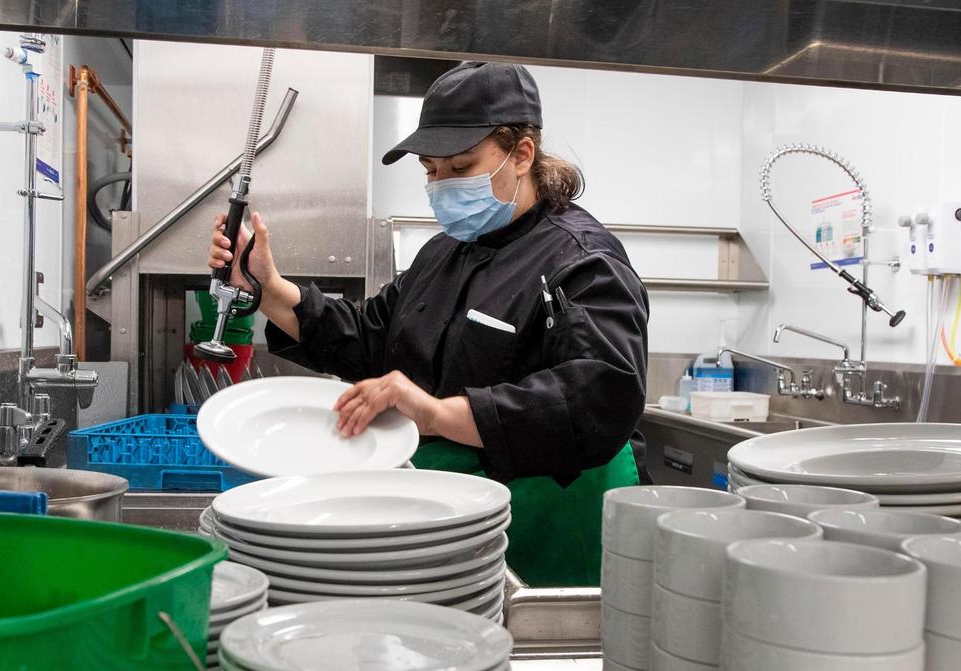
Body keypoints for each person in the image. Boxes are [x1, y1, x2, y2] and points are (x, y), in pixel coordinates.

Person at [208, 62, 649, 586]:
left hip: (551, 522)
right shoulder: (444, 252)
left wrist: (437, 413)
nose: (442, 187)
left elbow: (598, 396)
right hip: (455, 514)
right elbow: (370, 337)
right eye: (430, 172)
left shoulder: (582, 259)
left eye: (461, 168)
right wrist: (268, 287)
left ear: (522, 154)